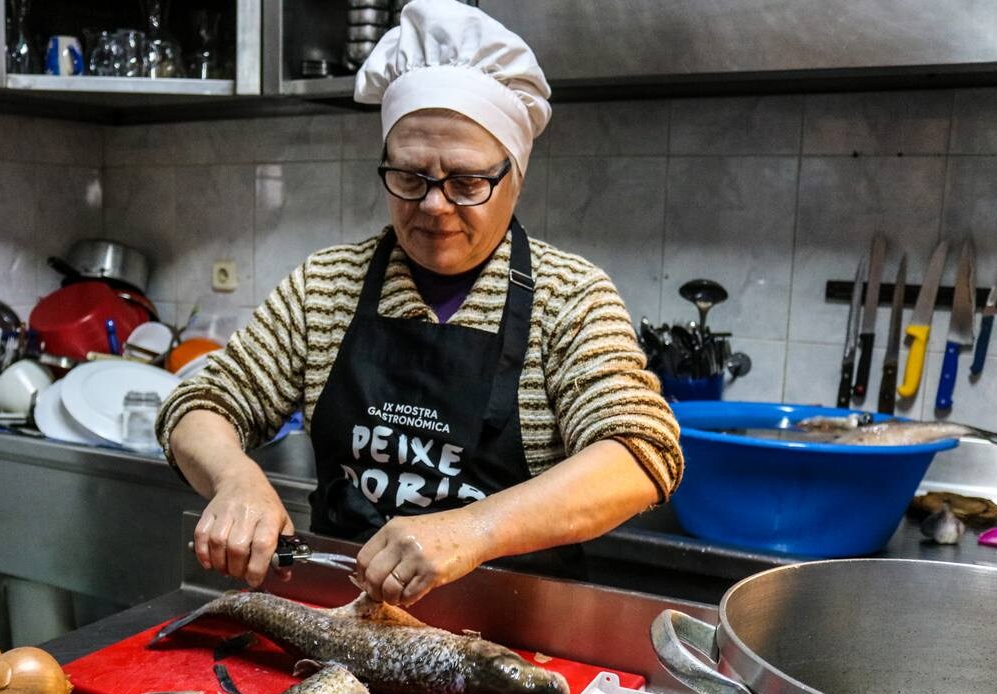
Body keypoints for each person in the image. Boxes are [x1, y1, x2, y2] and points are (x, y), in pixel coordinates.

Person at [158, 0, 683, 606]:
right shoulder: (327, 286)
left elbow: (641, 453)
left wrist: (474, 529)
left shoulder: (570, 299)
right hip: (342, 618)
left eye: (466, 182)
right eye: (410, 177)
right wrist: (236, 478)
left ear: (514, 178)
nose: (434, 206)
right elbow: (200, 404)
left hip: (511, 638)